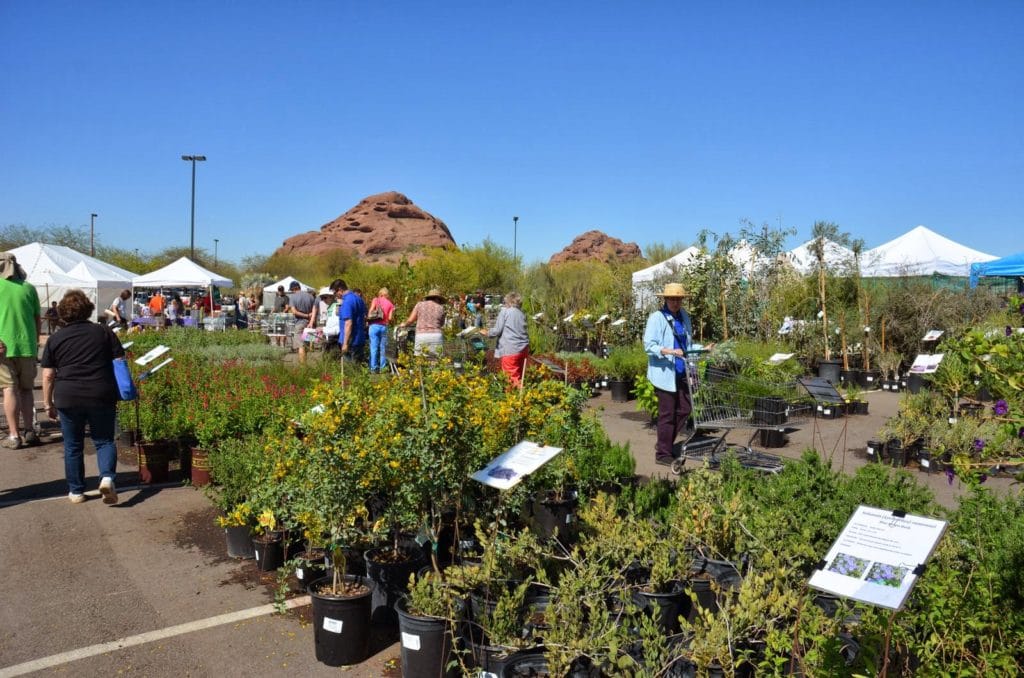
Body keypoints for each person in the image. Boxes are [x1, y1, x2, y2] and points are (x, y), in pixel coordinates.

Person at [40, 289, 123, 504]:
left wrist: (48, 402)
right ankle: (106, 478)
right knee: (104, 440)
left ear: (62, 313)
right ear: (88, 309)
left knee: (73, 444)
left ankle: (76, 491)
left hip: (68, 395)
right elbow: (119, 360)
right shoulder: (104, 332)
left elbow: (48, 374)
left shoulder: (55, 338)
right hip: (100, 392)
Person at [643, 282, 697, 465]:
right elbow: (649, 346)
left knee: (685, 408)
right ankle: (663, 454)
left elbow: (687, 345)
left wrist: (701, 350)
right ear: (665, 299)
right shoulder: (656, 318)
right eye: (672, 298)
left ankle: (663, 443)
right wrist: (669, 351)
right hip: (664, 374)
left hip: (681, 370)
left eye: (678, 299)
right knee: (667, 414)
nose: (675, 302)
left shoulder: (684, 317)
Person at [0, 253, 41, 449]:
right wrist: (35, 342)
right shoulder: (29, 288)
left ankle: (14, 435)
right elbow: (36, 319)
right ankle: (29, 430)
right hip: (27, 347)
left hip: (3, 347)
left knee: (9, 389)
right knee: (26, 390)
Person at [486, 291, 530, 387]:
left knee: (510, 378)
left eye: (505, 302)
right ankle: (524, 397)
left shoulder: (505, 311)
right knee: (519, 377)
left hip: (511, 349)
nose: (505, 304)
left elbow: (497, 330)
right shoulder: (521, 313)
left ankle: (513, 399)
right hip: (523, 349)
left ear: (509, 302)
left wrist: (487, 332)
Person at [399, 288, 446, 357]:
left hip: (422, 335)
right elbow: (441, 324)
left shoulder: (419, 305)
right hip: (436, 336)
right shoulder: (441, 308)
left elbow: (411, 320)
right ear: (438, 299)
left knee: (420, 360)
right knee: (436, 360)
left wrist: (404, 324)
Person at [332, 279, 367, 364]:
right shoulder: (359, 299)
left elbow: (348, 323)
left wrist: (345, 343)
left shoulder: (347, 301)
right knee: (358, 369)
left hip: (351, 342)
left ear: (340, 290)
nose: (335, 295)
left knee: (349, 372)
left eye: (335, 292)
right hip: (359, 339)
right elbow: (365, 316)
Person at [286, 281, 317, 363]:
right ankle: (306, 364)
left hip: (299, 323)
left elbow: (294, 312)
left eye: (292, 290)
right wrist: (310, 318)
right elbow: (315, 310)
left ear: (294, 288)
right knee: (307, 345)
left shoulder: (293, 297)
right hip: (310, 324)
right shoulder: (311, 296)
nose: (292, 292)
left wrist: (306, 315)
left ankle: (303, 368)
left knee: (301, 346)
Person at [366, 288, 395, 373]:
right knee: (383, 349)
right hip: (384, 327)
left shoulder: (376, 300)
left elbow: (371, 311)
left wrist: (368, 321)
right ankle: (383, 368)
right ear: (387, 294)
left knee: (373, 348)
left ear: (380, 294)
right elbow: (390, 318)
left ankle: (373, 369)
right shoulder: (390, 304)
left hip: (374, 326)